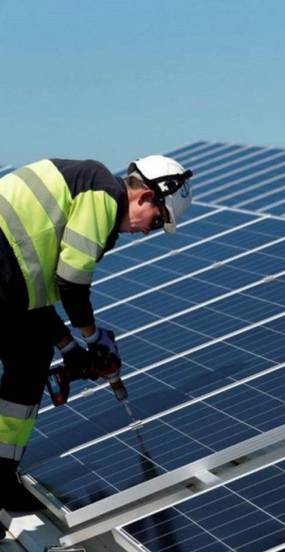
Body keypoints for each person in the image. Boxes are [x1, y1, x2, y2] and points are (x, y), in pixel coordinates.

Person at [0, 155, 193, 535]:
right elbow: (72, 283)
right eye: (157, 221)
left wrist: (71, 351)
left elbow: (38, 303)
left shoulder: (87, 205)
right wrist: (94, 340)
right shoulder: (101, 190)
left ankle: (1, 476)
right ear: (145, 196)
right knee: (28, 358)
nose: (147, 232)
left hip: (9, 282)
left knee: (30, 361)